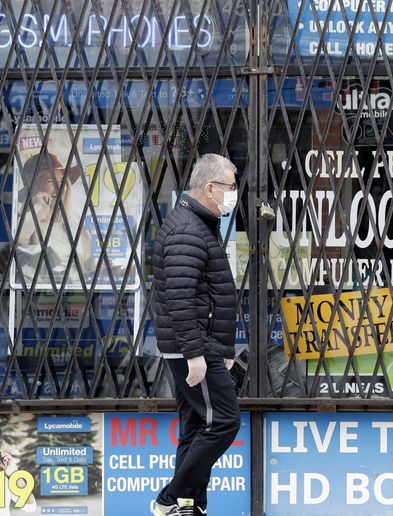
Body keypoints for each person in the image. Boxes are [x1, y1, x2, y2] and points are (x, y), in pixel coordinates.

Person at [150, 154, 241, 516]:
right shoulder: (187, 229)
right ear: (210, 188)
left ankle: (189, 505)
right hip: (192, 346)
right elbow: (181, 296)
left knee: (195, 425)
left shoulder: (199, 224)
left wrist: (222, 349)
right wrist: (196, 354)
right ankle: (171, 498)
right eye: (230, 188)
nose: (233, 195)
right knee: (223, 420)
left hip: (201, 345)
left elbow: (209, 291)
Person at [15, 152, 91, 286]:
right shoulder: (28, 219)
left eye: (62, 181)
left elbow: (91, 267)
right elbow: (19, 244)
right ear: (37, 187)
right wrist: (37, 209)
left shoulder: (77, 227)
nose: (58, 187)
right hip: (37, 291)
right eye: (50, 181)